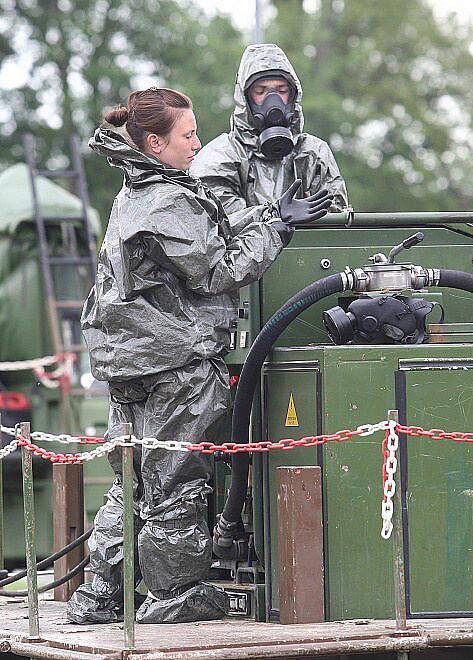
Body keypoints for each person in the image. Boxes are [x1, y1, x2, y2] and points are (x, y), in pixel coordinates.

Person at [66, 87, 335, 624]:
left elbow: (203, 237)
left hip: (134, 363)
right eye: (187, 134)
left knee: (132, 478)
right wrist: (278, 229)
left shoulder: (139, 191)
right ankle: (173, 595)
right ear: (153, 141)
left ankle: (102, 592)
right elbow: (219, 269)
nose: (195, 143)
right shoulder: (165, 200)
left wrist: (266, 214)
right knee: (175, 480)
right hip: (174, 364)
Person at [191, 43, 348, 214]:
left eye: (281, 90)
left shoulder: (314, 154)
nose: (272, 101)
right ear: (245, 100)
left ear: (292, 96)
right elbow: (221, 223)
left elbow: (335, 222)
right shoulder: (219, 158)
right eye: (260, 91)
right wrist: (277, 214)